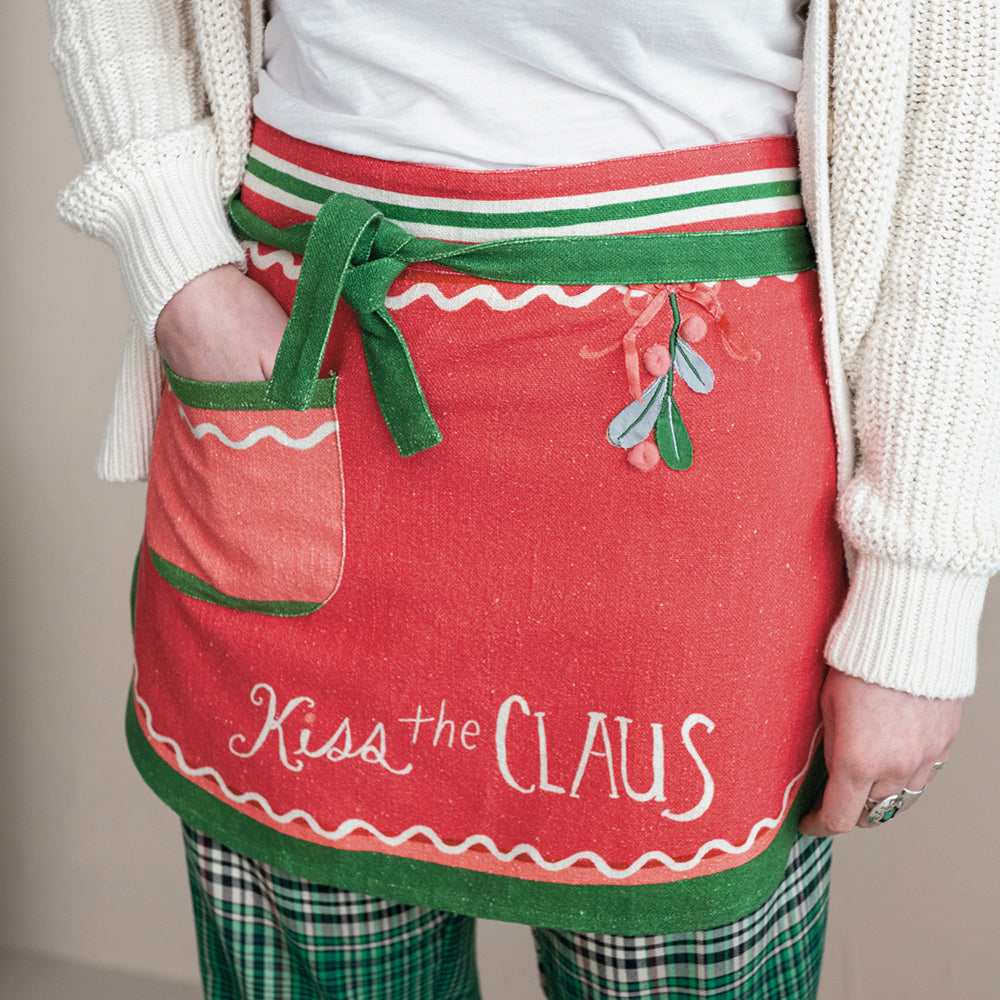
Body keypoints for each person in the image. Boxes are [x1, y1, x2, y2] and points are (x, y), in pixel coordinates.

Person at [48, 1, 997, 997]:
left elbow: (961, 124)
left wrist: (920, 589)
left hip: (686, 453)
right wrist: (179, 266)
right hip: (296, 364)